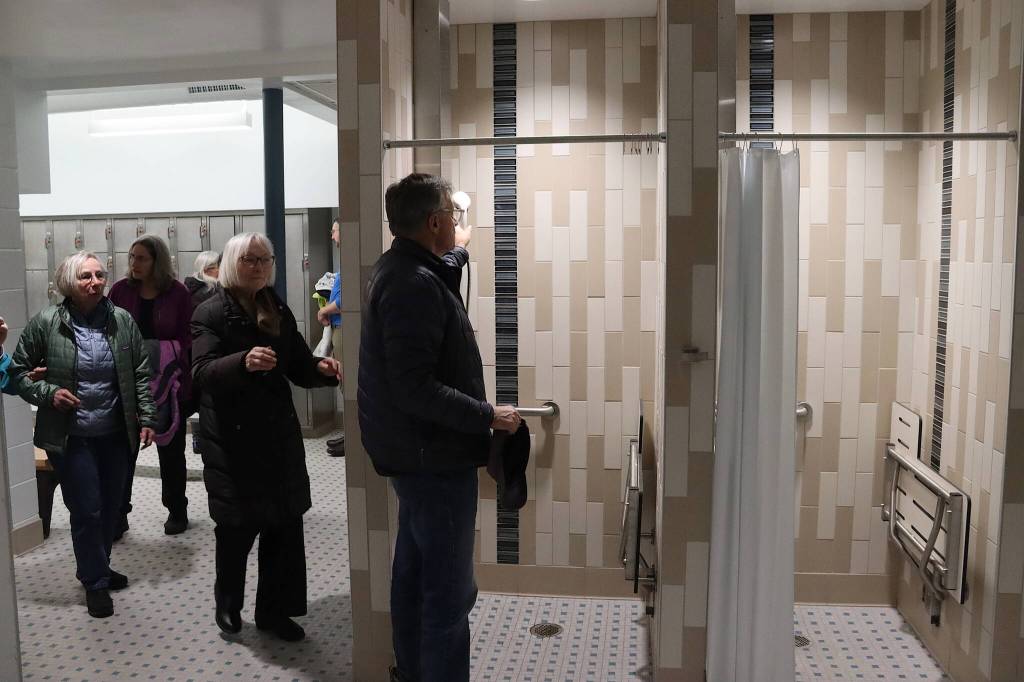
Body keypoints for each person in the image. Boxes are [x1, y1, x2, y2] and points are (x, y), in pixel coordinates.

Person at [358, 173, 521, 682]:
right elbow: (415, 389)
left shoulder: (406, 267)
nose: (457, 223)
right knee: (449, 594)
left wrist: (458, 252)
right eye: (453, 215)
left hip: (416, 457)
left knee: (412, 576)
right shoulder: (412, 284)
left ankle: (410, 672)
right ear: (433, 222)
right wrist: (486, 414)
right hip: (433, 460)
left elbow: (433, 282)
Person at [191, 232, 341, 641]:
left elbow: (295, 362)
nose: (258, 268)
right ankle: (228, 603)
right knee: (236, 529)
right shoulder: (210, 312)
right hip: (233, 439)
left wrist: (321, 371)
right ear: (231, 264)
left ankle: (274, 613)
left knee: (283, 526)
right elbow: (202, 371)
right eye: (249, 261)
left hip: (277, 434)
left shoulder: (274, 306)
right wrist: (243, 362)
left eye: (265, 260)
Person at [10, 251, 155, 618]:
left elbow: (140, 372)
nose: (95, 282)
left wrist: (148, 417)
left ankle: (97, 565)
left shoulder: (122, 320)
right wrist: (50, 394)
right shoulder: (47, 322)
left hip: (115, 432)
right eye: (85, 276)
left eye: (99, 275)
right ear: (68, 283)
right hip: (71, 436)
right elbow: (18, 375)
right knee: (87, 509)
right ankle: (94, 582)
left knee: (110, 507)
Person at [109, 234, 193, 536]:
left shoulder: (178, 293)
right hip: (127, 382)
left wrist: (170, 363)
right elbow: (109, 332)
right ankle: (119, 512)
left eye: (141, 258)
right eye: (132, 257)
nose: (134, 263)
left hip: (169, 381)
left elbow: (188, 337)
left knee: (171, 451)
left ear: (157, 261)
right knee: (123, 451)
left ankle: (176, 509)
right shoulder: (120, 291)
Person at [315, 220, 345, 456]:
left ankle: (353, 435)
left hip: (344, 329)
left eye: (334, 230)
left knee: (346, 379)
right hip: (338, 328)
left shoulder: (351, 258)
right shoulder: (344, 262)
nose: (332, 236)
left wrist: (325, 310)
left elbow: (347, 300)